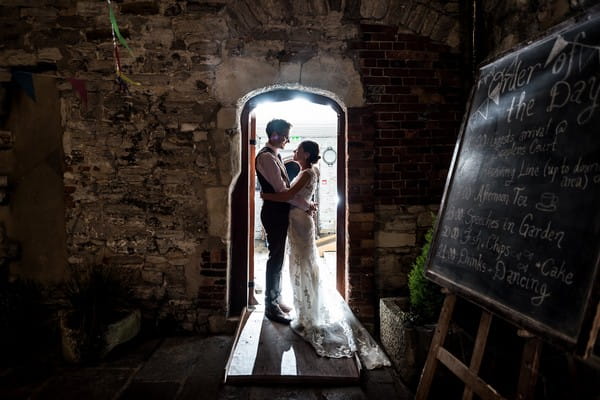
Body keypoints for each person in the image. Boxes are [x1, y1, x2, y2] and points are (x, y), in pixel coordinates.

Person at [261, 140, 391, 370]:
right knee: (304, 262)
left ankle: (308, 311)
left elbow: (287, 195)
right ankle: (307, 306)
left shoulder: (305, 173)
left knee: (302, 263)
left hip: (299, 221)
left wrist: (266, 196)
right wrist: (307, 201)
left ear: (307, 153)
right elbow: (300, 194)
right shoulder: (312, 170)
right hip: (302, 218)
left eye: (299, 150)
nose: (294, 151)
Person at [255, 119, 313, 324]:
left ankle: (277, 299)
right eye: (286, 135)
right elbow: (283, 192)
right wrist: (306, 205)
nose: (288, 140)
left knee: (278, 258)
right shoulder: (266, 158)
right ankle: (271, 306)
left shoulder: (276, 156)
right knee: (275, 258)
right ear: (275, 135)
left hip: (279, 211)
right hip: (273, 213)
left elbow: (284, 192)